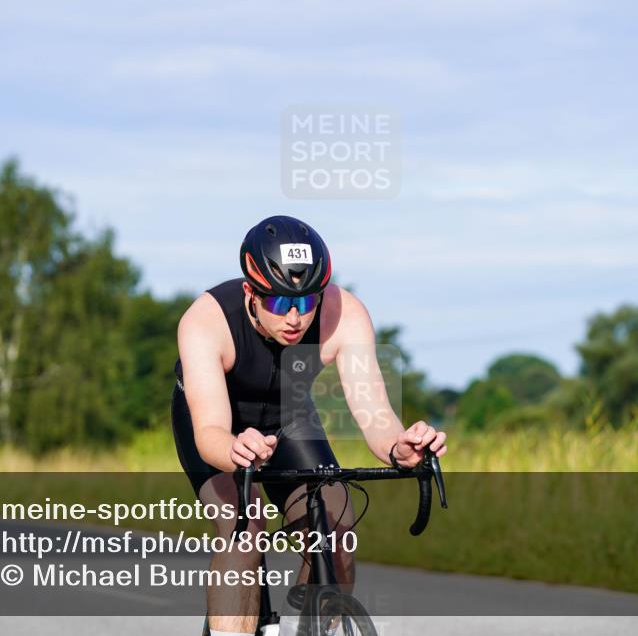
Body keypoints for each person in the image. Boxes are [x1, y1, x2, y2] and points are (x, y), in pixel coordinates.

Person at [172, 215, 447, 636]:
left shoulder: (345, 314)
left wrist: (400, 447)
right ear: (250, 291)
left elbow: (374, 412)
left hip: (288, 415)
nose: (295, 317)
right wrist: (233, 449)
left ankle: (303, 627)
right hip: (218, 425)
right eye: (279, 303)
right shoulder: (206, 321)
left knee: (337, 530)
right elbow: (210, 431)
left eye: (306, 302)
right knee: (245, 528)